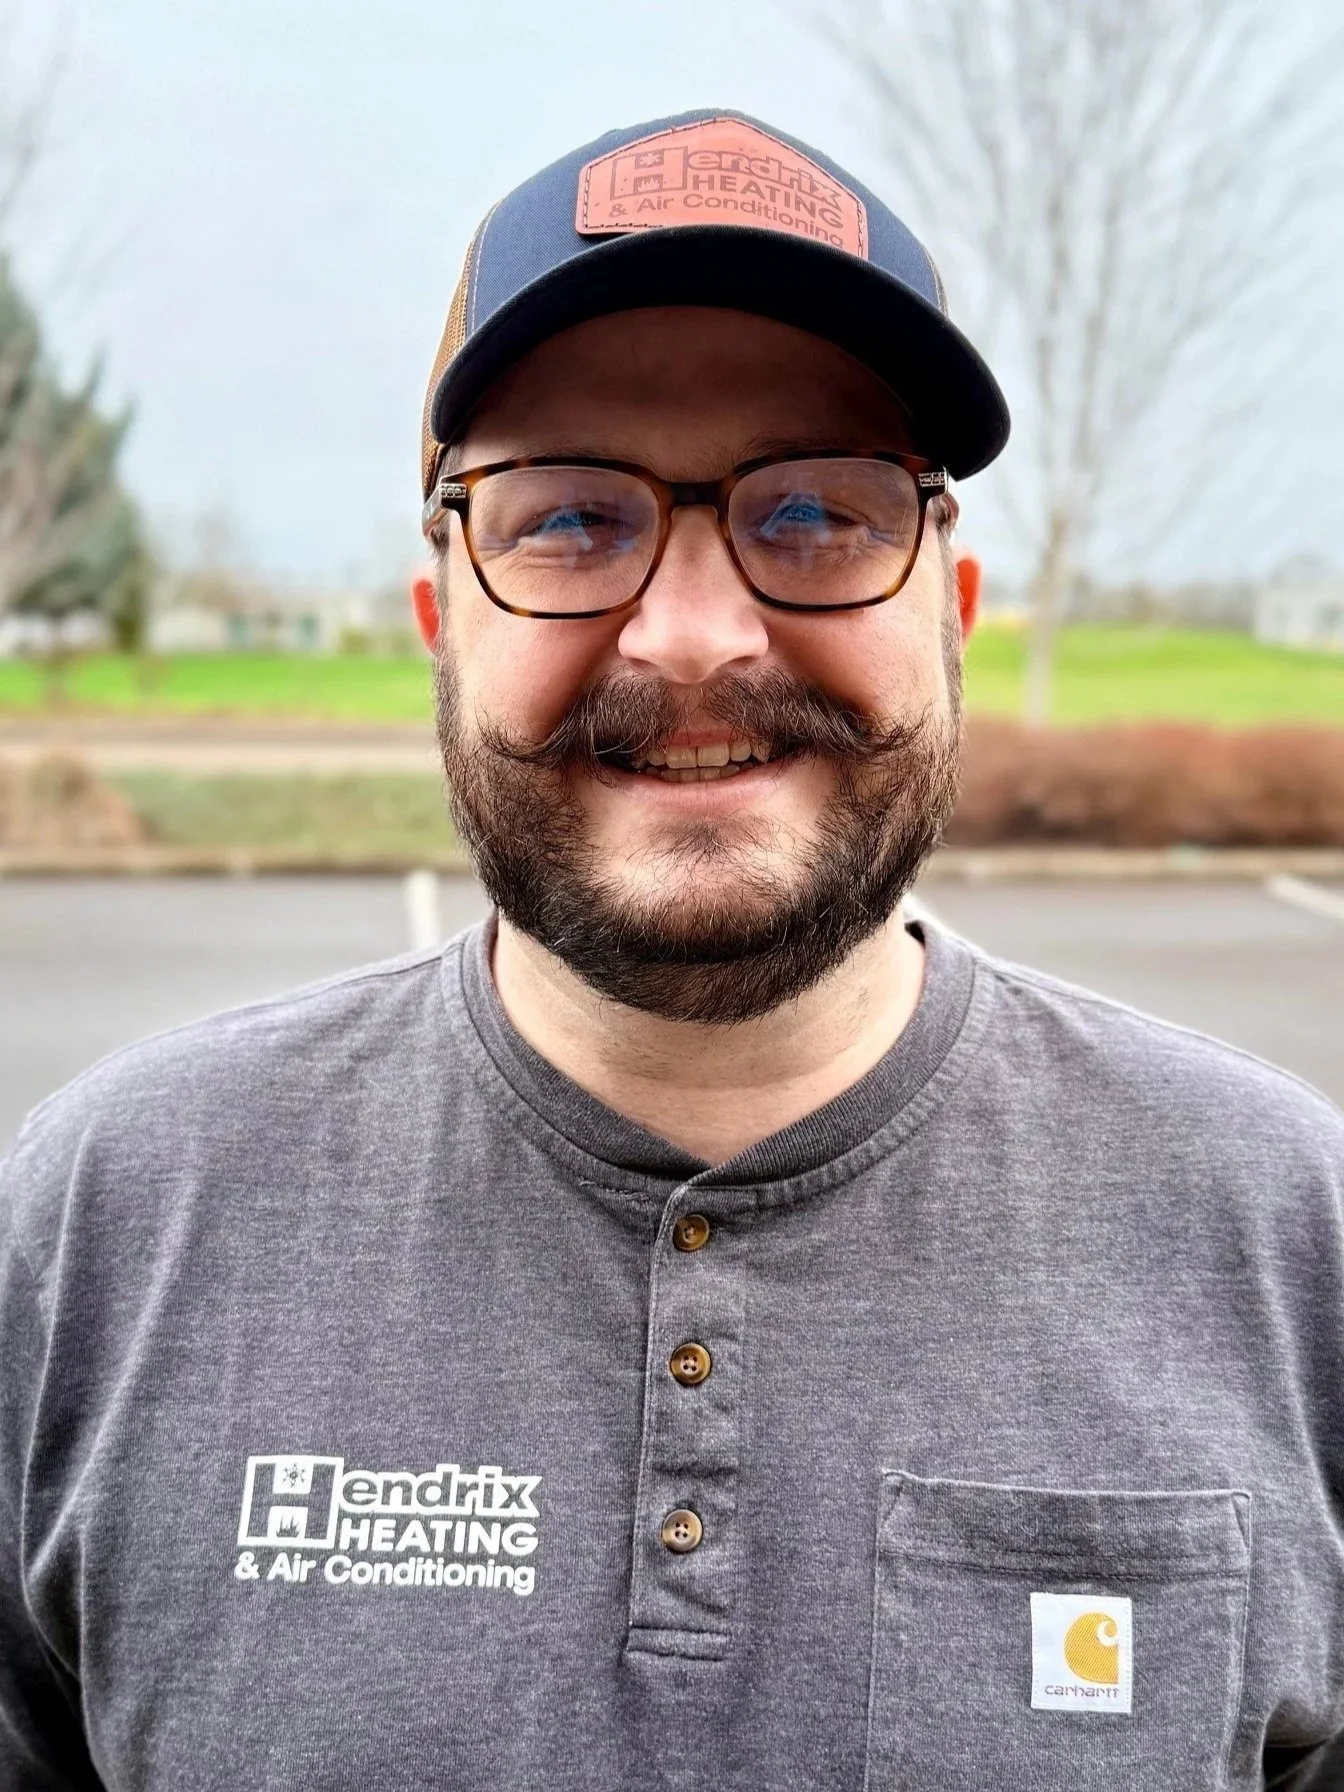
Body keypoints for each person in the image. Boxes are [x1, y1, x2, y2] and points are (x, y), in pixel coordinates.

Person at [1, 108, 1341, 1792]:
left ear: (954, 608)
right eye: (567, 521)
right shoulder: (102, 1231)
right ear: (441, 617)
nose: (695, 636)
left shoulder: (1294, 1246)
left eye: (817, 513)